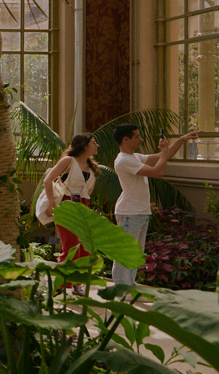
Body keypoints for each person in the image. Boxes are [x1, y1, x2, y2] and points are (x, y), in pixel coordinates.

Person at [110, 124, 199, 286]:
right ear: (125, 139)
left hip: (140, 212)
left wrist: (181, 140)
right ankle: (120, 288)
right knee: (125, 253)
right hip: (129, 213)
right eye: (137, 136)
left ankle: (129, 284)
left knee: (136, 253)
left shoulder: (135, 157)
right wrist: (164, 152)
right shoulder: (124, 160)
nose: (141, 139)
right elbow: (158, 172)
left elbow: (163, 156)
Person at [41, 133, 99, 296]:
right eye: (93, 143)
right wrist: (52, 202)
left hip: (83, 206)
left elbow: (88, 191)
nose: (97, 145)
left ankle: (76, 284)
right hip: (67, 204)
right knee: (70, 245)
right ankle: (60, 284)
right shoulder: (68, 161)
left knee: (85, 247)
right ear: (84, 145)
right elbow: (48, 180)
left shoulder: (92, 165)